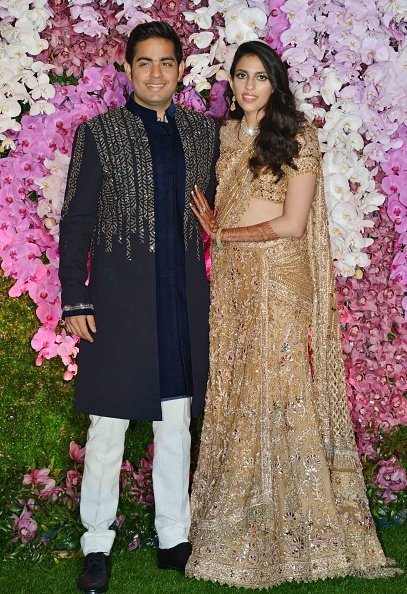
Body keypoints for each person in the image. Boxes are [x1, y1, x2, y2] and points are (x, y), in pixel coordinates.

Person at [185, 40, 395, 589]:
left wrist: (223, 233)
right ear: (230, 82)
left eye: (260, 76)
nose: (249, 86)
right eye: (240, 76)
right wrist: (219, 231)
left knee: (271, 387)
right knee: (235, 388)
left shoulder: (299, 136)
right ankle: (239, 518)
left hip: (278, 279)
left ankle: (299, 527)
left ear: (275, 82)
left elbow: (292, 224)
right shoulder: (228, 134)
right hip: (233, 280)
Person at [58, 21, 219, 594]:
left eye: (166, 62)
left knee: (175, 422)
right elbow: (76, 220)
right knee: (109, 426)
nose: (156, 73)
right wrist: (74, 294)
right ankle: (96, 544)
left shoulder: (205, 134)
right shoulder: (98, 133)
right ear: (127, 68)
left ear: (181, 69)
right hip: (120, 300)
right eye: (144, 62)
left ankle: (173, 536)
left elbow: (223, 205)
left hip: (181, 299)